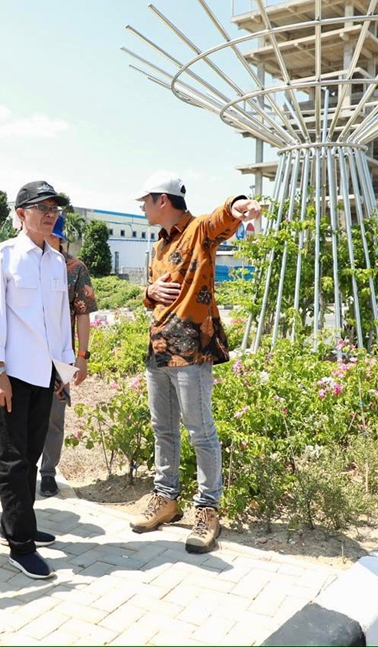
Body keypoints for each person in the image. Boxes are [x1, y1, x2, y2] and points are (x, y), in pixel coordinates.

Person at [130, 171, 260, 554]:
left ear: (163, 200)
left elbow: (223, 218)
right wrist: (149, 292)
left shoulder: (199, 230)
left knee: (200, 431)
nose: (142, 208)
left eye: (145, 201)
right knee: (163, 429)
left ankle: (207, 509)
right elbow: (153, 297)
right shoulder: (159, 244)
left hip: (192, 350)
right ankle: (165, 499)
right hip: (159, 348)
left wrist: (240, 205)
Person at [0, 180, 75, 579]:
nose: (50, 214)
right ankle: (20, 546)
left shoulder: (55, 261)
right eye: (42, 208)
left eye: (54, 208)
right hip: (12, 375)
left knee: (32, 455)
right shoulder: (2, 256)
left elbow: (60, 321)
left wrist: (64, 371)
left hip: (44, 374)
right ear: (21, 214)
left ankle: (20, 524)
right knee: (13, 459)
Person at [0, 214, 98, 498]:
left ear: (59, 238)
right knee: (12, 431)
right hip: (18, 364)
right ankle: (8, 476)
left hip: (55, 360)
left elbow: (80, 314)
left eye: (53, 236)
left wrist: (79, 358)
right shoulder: (8, 257)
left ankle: (47, 473)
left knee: (52, 420)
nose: (47, 240)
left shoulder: (71, 267)